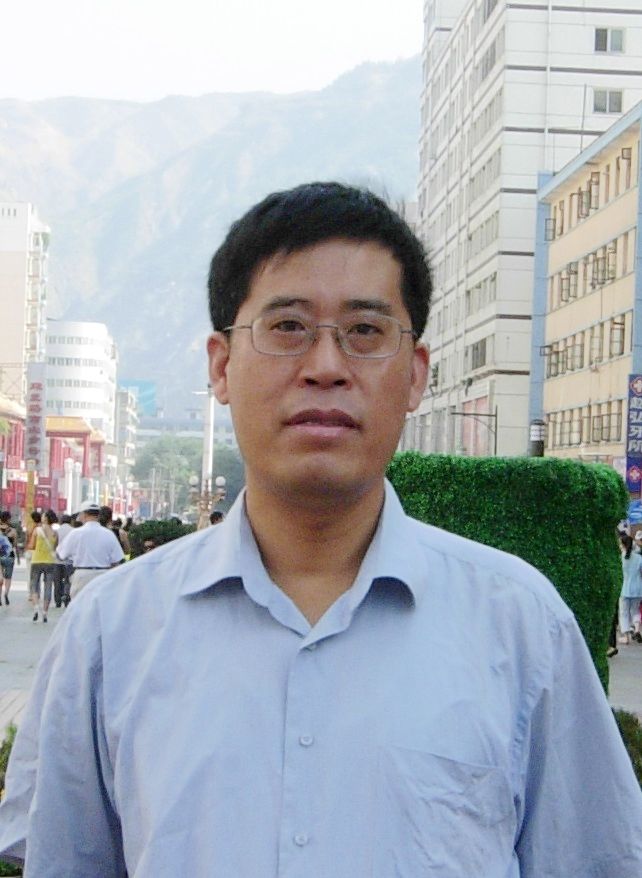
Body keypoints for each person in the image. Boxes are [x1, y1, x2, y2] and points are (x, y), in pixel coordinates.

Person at [1, 182, 641, 875]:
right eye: (287, 327)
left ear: (415, 374)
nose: (327, 367)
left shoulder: (522, 626)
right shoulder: (110, 633)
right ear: (221, 365)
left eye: (365, 332)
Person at [56, 500, 125, 599]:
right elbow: (117, 559)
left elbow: (60, 555)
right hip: (103, 575)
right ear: (98, 515)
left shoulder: (76, 533)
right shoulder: (109, 534)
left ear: (84, 515)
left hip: (82, 575)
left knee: (80, 605)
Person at [27, 510, 57, 623]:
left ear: (46, 518)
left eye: (43, 516)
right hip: (50, 562)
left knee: (34, 585)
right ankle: (45, 612)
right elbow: (55, 548)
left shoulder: (37, 530)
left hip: (37, 560)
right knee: (48, 587)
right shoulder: (55, 533)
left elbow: (31, 545)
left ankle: (36, 608)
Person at [618, 534, 642, 644]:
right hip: (638, 588)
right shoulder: (639, 558)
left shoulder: (621, 557)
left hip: (625, 588)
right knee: (635, 610)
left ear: (623, 545)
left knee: (624, 613)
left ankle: (626, 637)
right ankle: (637, 630)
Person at [0, 511, 17, 605]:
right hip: (10, 556)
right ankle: (6, 593)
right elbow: (14, 544)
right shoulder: (13, 531)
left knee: (0, 576)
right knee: (8, 577)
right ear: (9, 519)